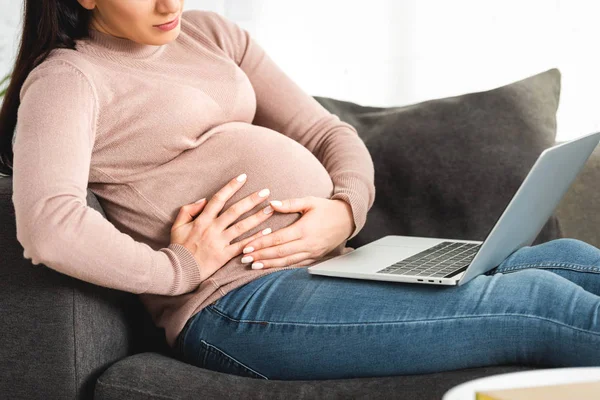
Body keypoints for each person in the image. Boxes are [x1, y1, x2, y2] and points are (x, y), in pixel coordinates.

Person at [1, 0, 599, 382]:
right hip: (238, 305)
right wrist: (178, 268)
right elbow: (48, 224)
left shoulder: (208, 34)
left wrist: (344, 210)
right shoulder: (68, 79)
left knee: (574, 263)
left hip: (341, 263)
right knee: (537, 304)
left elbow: (324, 130)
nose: (170, 2)